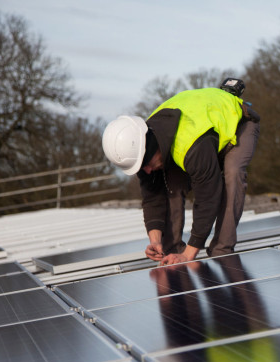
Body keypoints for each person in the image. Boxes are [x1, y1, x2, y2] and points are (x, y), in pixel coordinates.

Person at [101, 79, 260, 265]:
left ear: (152, 148)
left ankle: (221, 250)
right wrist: (155, 240)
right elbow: (152, 198)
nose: (146, 170)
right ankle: (172, 251)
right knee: (171, 182)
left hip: (238, 122)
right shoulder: (139, 149)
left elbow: (208, 196)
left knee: (232, 174)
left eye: (147, 164)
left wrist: (190, 253)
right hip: (203, 131)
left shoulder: (190, 147)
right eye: (141, 167)